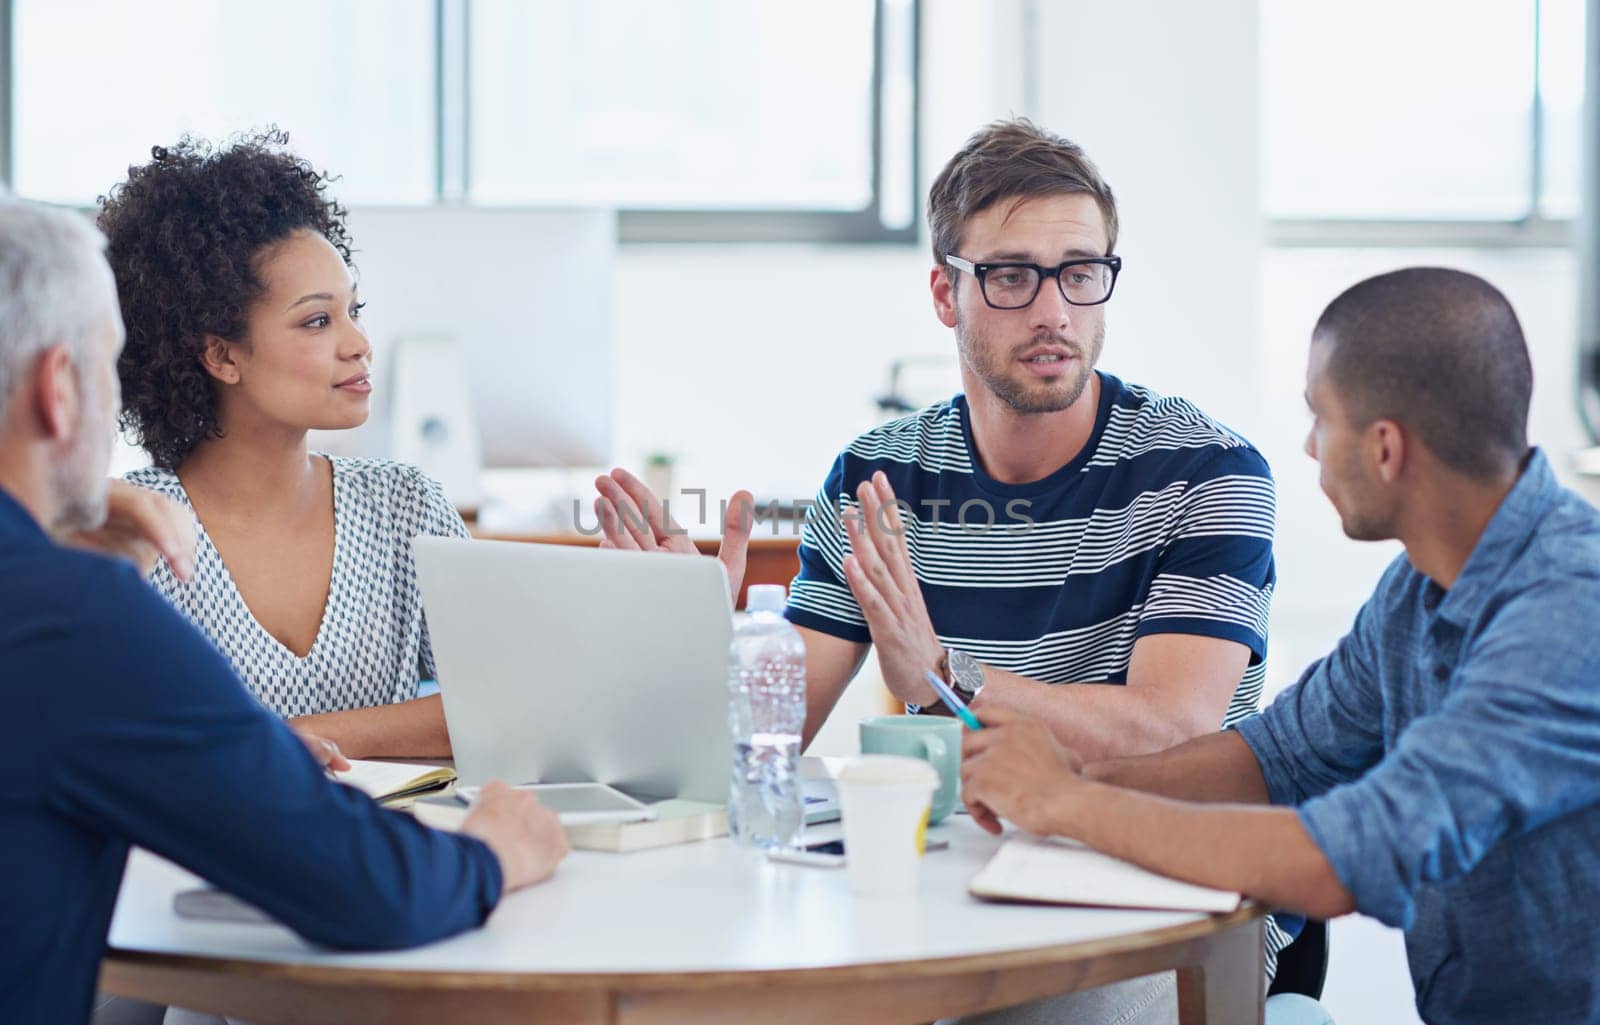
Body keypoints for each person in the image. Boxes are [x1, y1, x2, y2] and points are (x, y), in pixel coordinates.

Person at [593, 118, 1290, 1015]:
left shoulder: (1208, 471)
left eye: (1081, 273)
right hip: (953, 885)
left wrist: (949, 674)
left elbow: (1175, 725)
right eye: (1010, 276)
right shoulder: (880, 476)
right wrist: (692, 636)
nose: (1054, 311)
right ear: (943, 293)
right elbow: (771, 737)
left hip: (1162, 901)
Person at [961, 268, 1600, 1025]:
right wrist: (1090, 774)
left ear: (1386, 448)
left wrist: (1069, 802)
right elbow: (1278, 758)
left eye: (1319, 419)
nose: (1307, 446)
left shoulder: (1570, 611)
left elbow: (1344, 857)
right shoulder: (1417, 589)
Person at [0, 196, 568, 1025]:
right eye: (105, 363)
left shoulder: (65, 591)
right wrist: (492, 850)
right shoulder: (73, 612)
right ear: (59, 388)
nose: (356, 341)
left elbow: (514, 703)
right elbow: (364, 887)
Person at [98, 129, 460, 757]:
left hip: (388, 848)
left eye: (354, 310)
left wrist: (289, 740)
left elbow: (503, 710)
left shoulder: (407, 506)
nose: (359, 343)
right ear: (221, 355)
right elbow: (116, 747)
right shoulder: (133, 530)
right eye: (318, 320)